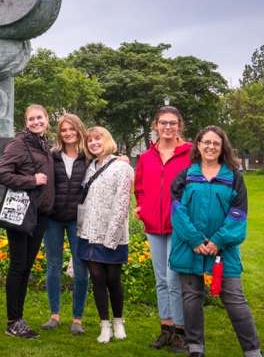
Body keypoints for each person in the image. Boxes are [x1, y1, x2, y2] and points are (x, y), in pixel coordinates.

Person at [170, 126, 261, 357]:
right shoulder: (185, 176)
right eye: (206, 142)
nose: (210, 147)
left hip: (224, 250)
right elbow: (177, 211)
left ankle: (252, 351)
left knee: (234, 298)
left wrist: (219, 240)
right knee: (191, 298)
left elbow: (238, 214)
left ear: (222, 148)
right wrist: (194, 239)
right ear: (198, 145)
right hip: (190, 247)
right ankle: (195, 348)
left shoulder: (234, 179)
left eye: (216, 144)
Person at [0, 104, 54, 339]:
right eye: (31, 119)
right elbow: (1, 174)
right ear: (26, 122)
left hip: (40, 215)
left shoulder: (44, 144)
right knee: (18, 266)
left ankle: (19, 317)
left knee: (26, 267)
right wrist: (31, 179)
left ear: (47, 119)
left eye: (40, 117)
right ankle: (13, 321)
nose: (36, 122)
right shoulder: (20, 144)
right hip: (21, 213)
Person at [134, 106, 192, 352]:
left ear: (179, 125)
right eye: (163, 123)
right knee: (160, 279)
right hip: (153, 225)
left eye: (172, 123)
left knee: (173, 278)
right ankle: (165, 327)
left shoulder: (190, 153)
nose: (167, 127)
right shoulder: (147, 157)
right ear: (155, 126)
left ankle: (180, 331)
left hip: (178, 226)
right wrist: (141, 207)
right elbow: (140, 187)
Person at [77, 126, 134, 344]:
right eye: (90, 140)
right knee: (98, 280)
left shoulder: (122, 167)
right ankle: (104, 324)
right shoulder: (90, 166)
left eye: (98, 139)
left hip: (113, 234)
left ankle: (118, 320)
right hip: (89, 234)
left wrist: (111, 238)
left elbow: (122, 204)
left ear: (107, 140)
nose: (94, 143)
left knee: (113, 279)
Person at [40, 114, 90, 335]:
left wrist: (122, 160)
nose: (68, 133)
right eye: (64, 130)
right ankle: (54, 314)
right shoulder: (52, 155)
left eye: (72, 129)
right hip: (53, 218)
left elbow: (109, 161)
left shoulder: (88, 157)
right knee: (53, 266)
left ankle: (77, 318)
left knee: (81, 268)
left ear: (79, 130)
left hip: (78, 219)